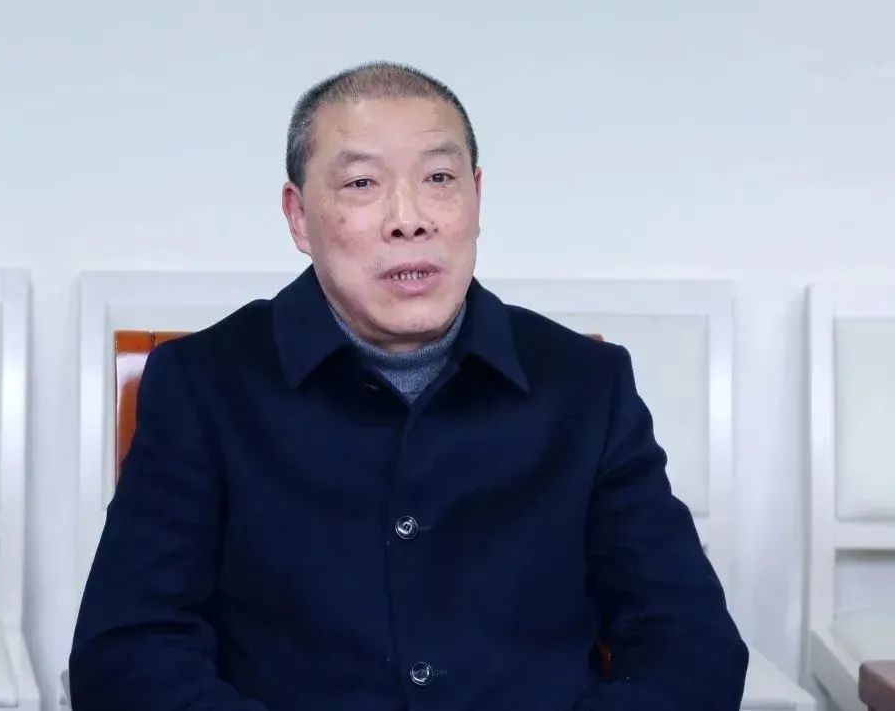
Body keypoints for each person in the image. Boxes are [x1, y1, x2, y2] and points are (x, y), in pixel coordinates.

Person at [69, 61, 748, 710]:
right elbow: (127, 651)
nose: (409, 217)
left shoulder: (586, 388)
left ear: (476, 198)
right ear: (298, 217)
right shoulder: (204, 386)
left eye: (439, 178)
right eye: (362, 183)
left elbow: (690, 643)